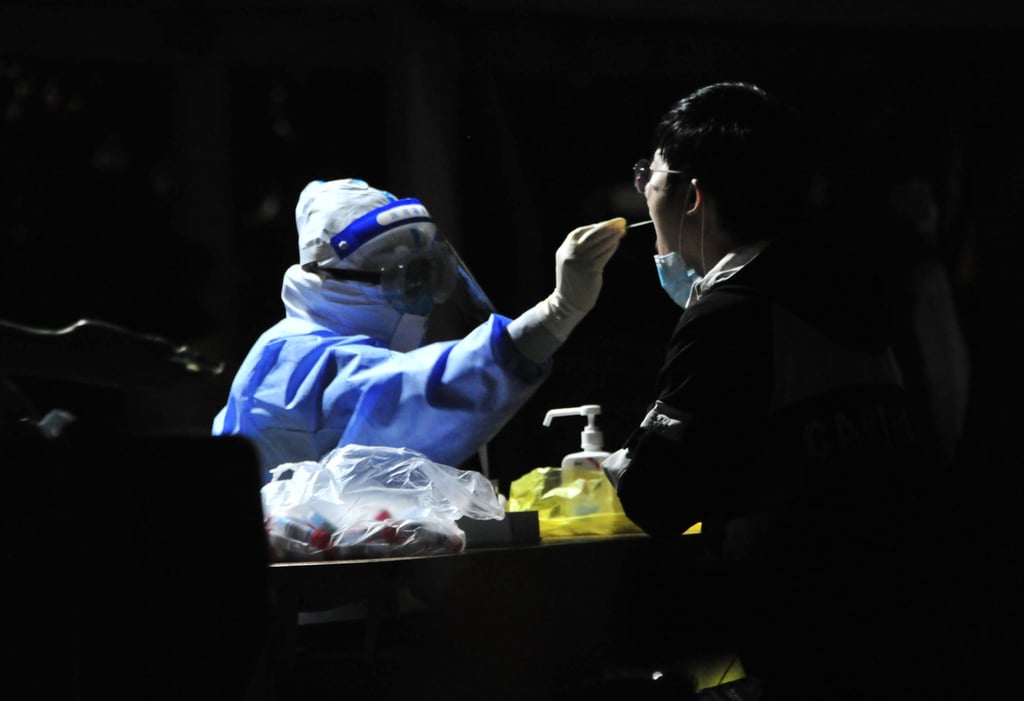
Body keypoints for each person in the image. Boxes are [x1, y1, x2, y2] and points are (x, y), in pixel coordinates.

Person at [601, 83, 941, 700]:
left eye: (647, 175)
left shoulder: (735, 312)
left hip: (809, 647)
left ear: (692, 194)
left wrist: (619, 460)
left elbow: (658, 502)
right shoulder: (844, 284)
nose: (643, 191)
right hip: (904, 622)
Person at [212, 177, 625, 484]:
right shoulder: (296, 360)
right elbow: (413, 393)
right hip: (311, 596)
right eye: (404, 276)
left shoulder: (314, 343)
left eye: (427, 271)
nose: (423, 295)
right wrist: (558, 311)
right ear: (334, 279)